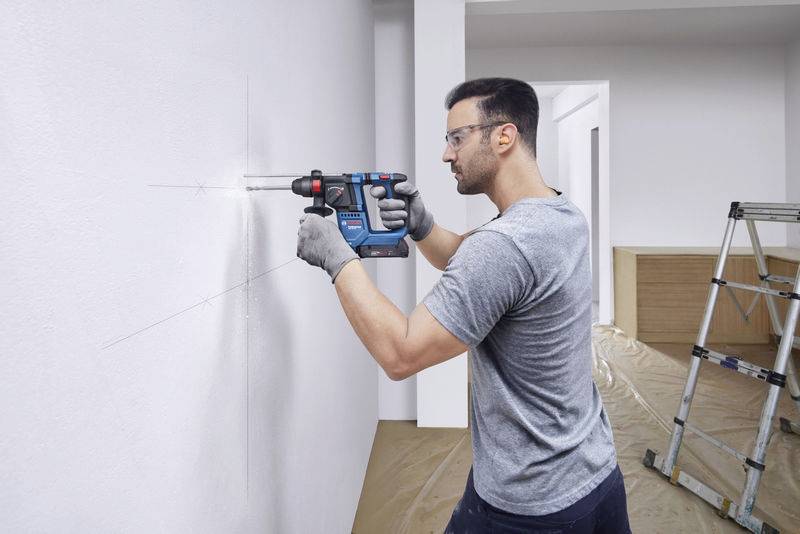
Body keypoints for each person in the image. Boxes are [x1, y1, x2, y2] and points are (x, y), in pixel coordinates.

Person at [295, 77, 630, 533]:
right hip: (594, 472)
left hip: (530, 504)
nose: (446, 154)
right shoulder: (560, 214)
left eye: (457, 137)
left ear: (504, 136)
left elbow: (402, 353)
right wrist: (422, 225)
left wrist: (337, 259)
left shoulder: (503, 246)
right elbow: (478, 265)